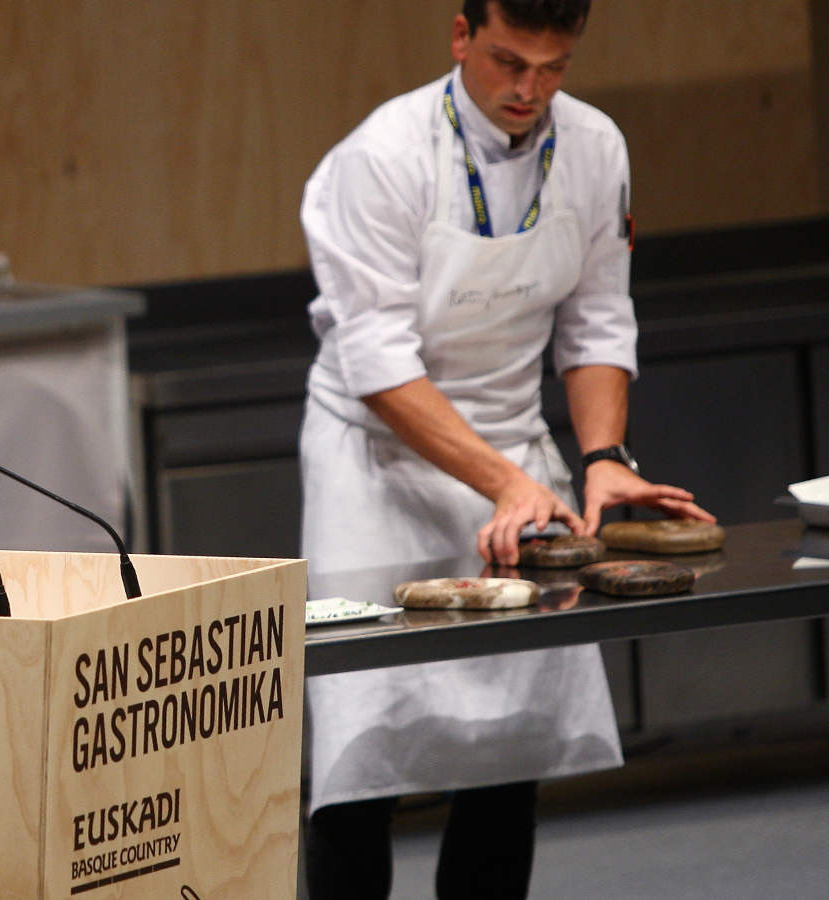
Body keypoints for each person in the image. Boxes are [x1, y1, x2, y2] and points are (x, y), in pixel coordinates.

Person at [296, 2, 714, 897]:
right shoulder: (381, 158)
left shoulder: (595, 147)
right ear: (458, 36)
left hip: (515, 448)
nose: (528, 90)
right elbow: (376, 362)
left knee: (506, 742)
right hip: (375, 466)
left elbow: (599, 318)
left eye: (553, 68)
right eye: (507, 62)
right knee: (360, 747)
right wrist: (505, 482)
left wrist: (603, 456)